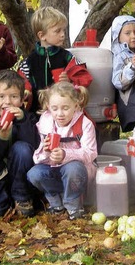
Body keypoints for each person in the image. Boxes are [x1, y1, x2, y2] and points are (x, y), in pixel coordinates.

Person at [27, 82, 97, 220]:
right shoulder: (46, 122)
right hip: (55, 169)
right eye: (55, 108)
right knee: (34, 174)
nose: (60, 113)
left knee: (72, 168)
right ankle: (56, 203)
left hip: (78, 172)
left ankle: (73, 206)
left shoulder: (85, 124)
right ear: (48, 107)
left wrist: (66, 155)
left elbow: (91, 153)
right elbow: (37, 159)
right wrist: (46, 151)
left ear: (76, 106)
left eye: (65, 108)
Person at [0, 70, 41, 217]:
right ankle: (5, 200)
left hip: (22, 175)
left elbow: (33, 147)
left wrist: (22, 121)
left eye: (13, 97)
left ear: (22, 101)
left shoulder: (29, 119)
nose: (7, 102)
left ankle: (22, 199)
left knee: (21, 148)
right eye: (1, 97)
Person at [18, 7, 92, 113]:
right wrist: (26, 91)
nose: (62, 34)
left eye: (63, 30)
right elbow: (21, 83)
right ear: (42, 35)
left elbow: (84, 77)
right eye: (57, 31)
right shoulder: (29, 61)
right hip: (37, 113)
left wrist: (69, 82)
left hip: (63, 113)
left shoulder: (67, 57)